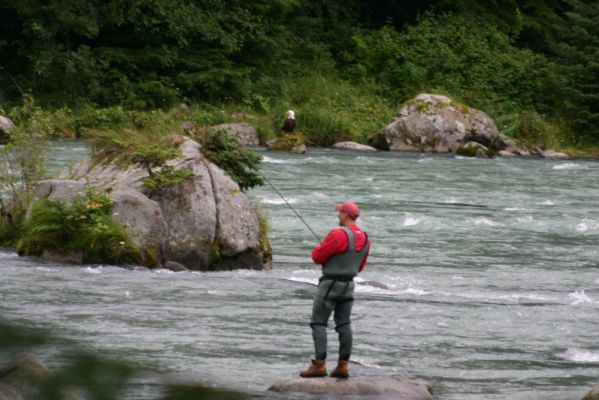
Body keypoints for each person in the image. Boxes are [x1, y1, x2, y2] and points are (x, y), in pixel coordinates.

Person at [300, 201, 370, 379]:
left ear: (346, 215)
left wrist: (319, 248)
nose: (338, 215)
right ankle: (343, 366)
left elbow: (317, 257)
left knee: (318, 323)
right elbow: (360, 267)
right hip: (349, 286)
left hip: (330, 284)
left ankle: (319, 365)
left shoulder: (338, 234)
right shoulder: (366, 237)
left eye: (340, 213)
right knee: (344, 324)